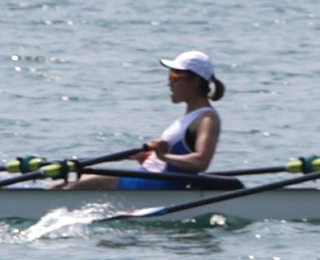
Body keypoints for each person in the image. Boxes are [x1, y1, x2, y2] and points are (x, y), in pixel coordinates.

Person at [82, 52, 228, 186]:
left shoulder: (207, 119)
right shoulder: (190, 117)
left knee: (72, 185)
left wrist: (162, 156)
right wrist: (150, 156)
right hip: (148, 177)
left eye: (174, 77)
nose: (169, 83)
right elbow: (174, 156)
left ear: (195, 81)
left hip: (155, 184)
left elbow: (200, 162)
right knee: (75, 177)